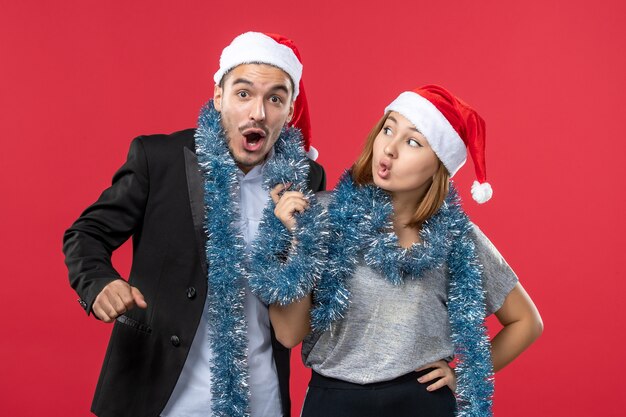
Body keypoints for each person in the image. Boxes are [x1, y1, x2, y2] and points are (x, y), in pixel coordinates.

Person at [62, 31, 326, 417]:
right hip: (159, 394)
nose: (258, 113)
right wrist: (99, 283)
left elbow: (312, 293)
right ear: (218, 97)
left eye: (275, 98)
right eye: (243, 93)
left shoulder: (306, 180)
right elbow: (86, 234)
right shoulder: (160, 158)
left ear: (288, 111)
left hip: (261, 399)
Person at [266, 85, 543, 417]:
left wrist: (461, 376)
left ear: (438, 164)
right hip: (334, 401)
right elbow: (287, 333)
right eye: (388, 129)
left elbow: (527, 321)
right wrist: (300, 243)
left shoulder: (456, 237)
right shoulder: (323, 215)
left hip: (421, 403)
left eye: (413, 142)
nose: (391, 149)